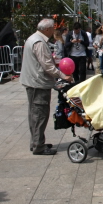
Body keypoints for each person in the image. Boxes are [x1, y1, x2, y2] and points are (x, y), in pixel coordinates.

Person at [21, 18, 73, 155]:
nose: (54, 30)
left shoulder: (33, 38)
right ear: (47, 29)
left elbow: (43, 61)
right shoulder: (39, 42)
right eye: (53, 28)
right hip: (38, 83)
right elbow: (47, 66)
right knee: (39, 114)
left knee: (34, 114)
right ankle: (39, 145)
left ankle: (36, 141)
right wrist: (63, 75)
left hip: (32, 81)